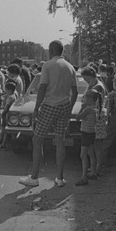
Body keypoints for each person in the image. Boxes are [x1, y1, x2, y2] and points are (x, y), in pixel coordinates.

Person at [19, 41, 78, 188]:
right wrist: (69, 108)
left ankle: (34, 177)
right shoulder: (70, 67)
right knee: (60, 141)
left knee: (37, 140)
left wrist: (37, 108)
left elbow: (42, 87)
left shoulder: (48, 65)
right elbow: (75, 91)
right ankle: (59, 178)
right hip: (64, 106)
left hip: (49, 105)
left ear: (51, 50)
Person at [76, 84, 102, 185]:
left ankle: (84, 177)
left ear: (90, 99)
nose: (84, 99)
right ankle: (93, 172)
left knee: (83, 155)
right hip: (91, 132)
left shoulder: (88, 109)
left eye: (85, 97)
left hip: (86, 133)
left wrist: (81, 108)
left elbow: (78, 117)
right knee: (91, 153)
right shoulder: (95, 108)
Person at [0, 80, 18, 150]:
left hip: (7, 115)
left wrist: (2, 114)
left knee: (4, 129)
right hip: (11, 115)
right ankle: (1, 142)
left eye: (6, 89)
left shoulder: (10, 98)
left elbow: (6, 107)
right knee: (5, 130)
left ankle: (2, 143)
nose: (5, 90)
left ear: (9, 90)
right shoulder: (14, 95)